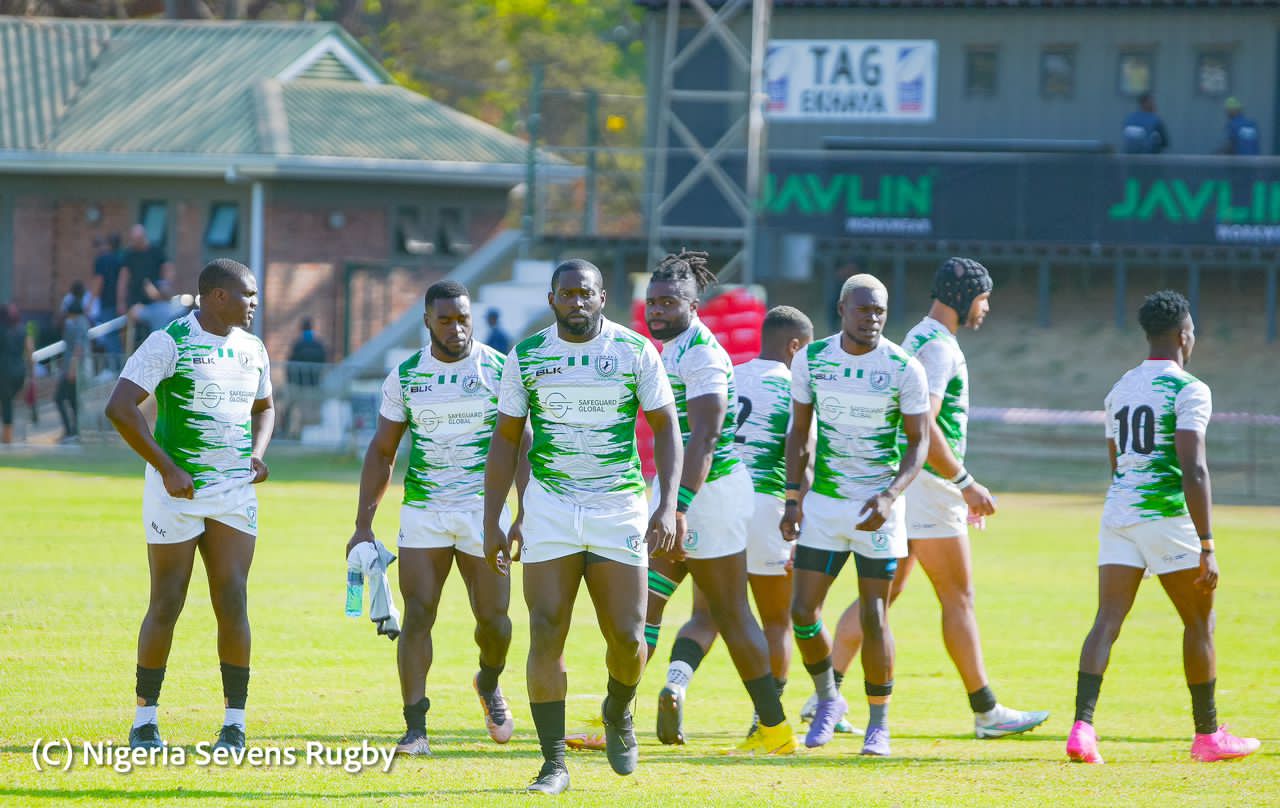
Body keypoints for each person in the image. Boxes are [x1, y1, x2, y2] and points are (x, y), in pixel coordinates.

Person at [802, 258, 1049, 739]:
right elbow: (927, 427)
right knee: (958, 596)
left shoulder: (918, 338)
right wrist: (964, 483)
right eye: (983, 297)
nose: (986, 307)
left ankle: (823, 696)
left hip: (911, 487)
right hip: (929, 487)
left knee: (884, 596)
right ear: (963, 298)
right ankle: (986, 711)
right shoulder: (937, 348)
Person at [483, 258, 683, 795]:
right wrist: (494, 517)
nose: (576, 302)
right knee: (547, 628)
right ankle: (552, 764)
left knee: (628, 635)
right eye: (566, 293)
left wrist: (665, 506)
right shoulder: (528, 356)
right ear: (552, 300)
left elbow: (666, 428)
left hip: (618, 505)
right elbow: (505, 440)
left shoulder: (635, 351)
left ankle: (618, 710)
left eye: (586, 293)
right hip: (549, 507)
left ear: (602, 297)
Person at [1067, 290, 1261, 765]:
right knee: (1199, 621)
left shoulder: (1121, 388)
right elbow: (1193, 468)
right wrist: (1207, 543)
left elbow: (1117, 463)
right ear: (1183, 335)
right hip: (1167, 517)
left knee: (1107, 621)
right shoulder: (1190, 389)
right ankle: (1208, 735)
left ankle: (1082, 729)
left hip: (1118, 514)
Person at [346, 280, 522, 757]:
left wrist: (521, 513)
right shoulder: (405, 376)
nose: (457, 328)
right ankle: (415, 729)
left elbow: (521, 446)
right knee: (419, 615)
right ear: (427, 321)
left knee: (495, 622)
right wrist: (363, 524)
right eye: (445, 320)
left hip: (484, 513)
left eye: (463, 318)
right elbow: (382, 451)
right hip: (424, 511)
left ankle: (488, 682)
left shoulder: (500, 370)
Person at [105, 258, 274, 753]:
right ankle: (144, 721)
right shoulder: (169, 342)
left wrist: (258, 456)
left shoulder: (254, 348)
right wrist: (167, 468)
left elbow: (265, 409)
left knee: (233, 600)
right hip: (175, 495)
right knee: (167, 602)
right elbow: (119, 406)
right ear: (217, 296)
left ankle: (234, 725)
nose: (254, 305)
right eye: (248, 296)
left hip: (232, 494)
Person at [638, 255, 798, 755]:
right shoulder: (667, 349)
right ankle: (615, 719)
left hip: (709, 497)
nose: (658, 310)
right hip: (676, 495)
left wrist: (677, 507)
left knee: (729, 613)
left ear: (693, 304)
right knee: (642, 606)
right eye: (653, 302)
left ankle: (775, 729)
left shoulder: (702, 354)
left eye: (670, 302)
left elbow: (705, 437)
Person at [782, 273, 930, 756]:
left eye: (880, 311)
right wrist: (792, 499)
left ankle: (879, 724)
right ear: (842, 308)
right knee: (802, 611)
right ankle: (829, 700)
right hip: (824, 506)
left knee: (874, 614)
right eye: (864, 309)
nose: (873, 319)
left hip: (878, 509)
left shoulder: (904, 366)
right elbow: (800, 433)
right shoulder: (813, 359)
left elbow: (919, 442)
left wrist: (889, 497)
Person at [118, 224, 173, 353]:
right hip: (136, 302)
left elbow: (168, 268)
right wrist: (120, 301)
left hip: (156, 302)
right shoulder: (129, 254)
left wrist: (165, 285)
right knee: (131, 330)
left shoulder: (156, 251)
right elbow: (123, 278)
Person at [55, 287, 92, 443]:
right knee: (72, 400)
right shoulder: (81, 322)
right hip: (73, 368)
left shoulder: (77, 323)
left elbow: (78, 348)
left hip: (74, 370)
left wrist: (71, 369)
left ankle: (72, 431)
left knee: (59, 398)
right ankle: (73, 431)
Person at [284, 318, 328, 438]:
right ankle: (306, 434)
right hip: (314, 383)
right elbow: (324, 361)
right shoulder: (318, 344)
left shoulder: (298, 343)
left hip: (297, 383)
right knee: (310, 410)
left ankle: (291, 433)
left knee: (295, 409)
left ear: (301, 328)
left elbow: (290, 361)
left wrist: (290, 379)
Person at [93, 234, 125, 368]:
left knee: (109, 336)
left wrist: (90, 303)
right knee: (117, 336)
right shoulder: (121, 259)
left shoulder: (101, 260)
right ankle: (118, 366)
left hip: (107, 302)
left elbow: (99, 282)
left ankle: (115, 368)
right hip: (119, 304)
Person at [0, 303, 30, 445]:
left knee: (6, 403)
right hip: (19, 372)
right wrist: (32, 373)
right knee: (7, 402)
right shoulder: (22, 330)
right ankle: (7, 435)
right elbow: (30, 351)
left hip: (4, 371)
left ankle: (7, 437)